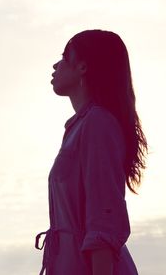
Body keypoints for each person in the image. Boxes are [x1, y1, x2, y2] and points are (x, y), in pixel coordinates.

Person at [35, 29, 148, 275]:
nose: (56, 65)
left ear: (83, 67)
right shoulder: (80, 126)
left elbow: (103, 221)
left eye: (65, 57)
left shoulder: (97, 123)